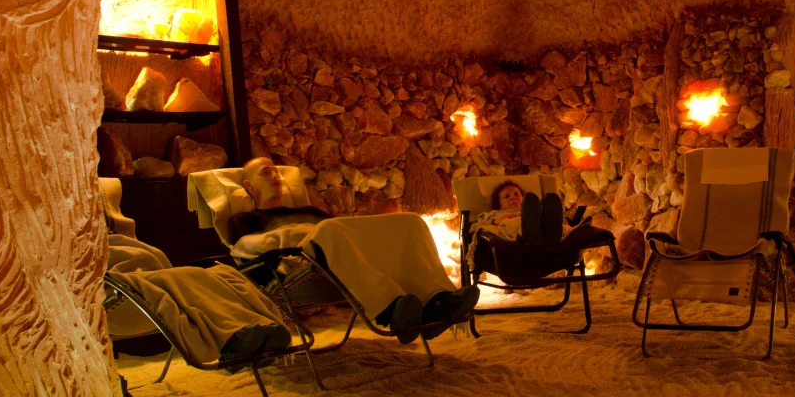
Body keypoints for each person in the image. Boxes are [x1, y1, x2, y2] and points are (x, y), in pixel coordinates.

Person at [231, 157, 479, 344]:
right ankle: (391, 310)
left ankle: (437, 300)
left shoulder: (313, 212)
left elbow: (339, 236)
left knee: (410, 221)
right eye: (266, 172)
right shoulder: (245, 219)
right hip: (301, 264)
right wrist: (295, 235)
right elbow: (246, 249)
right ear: (248, 185)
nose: (275, 176)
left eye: (277, 171)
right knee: (329, 229)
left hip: (337, 258)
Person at [473, 180, 569, 246]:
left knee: (549, 201)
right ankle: (533, 236)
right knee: (524, 219)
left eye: (516, 194)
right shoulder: (494, 214)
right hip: (520, 238)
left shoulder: (535, 209)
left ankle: (551, 235)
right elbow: (476, 226)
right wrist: (495, 221)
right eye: (506, 196)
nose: (513, 197)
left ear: (523, 199)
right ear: (499, 205)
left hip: (539, 224)